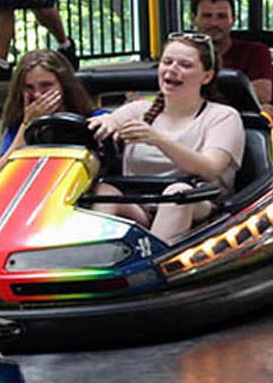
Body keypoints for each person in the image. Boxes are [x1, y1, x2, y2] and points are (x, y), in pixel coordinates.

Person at [86, 33, 244, 244]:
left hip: (198, 205)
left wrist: (158, 140)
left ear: (206, 76)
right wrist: (106, 122)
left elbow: (210, 168)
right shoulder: (138, 110)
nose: (172, 70)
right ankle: (95, 254)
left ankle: (155, 259)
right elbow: (110, 120)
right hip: (141, 207)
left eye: (185, 65)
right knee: (104, 191)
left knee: (177, 193)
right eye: (167, 62)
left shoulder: (223, 116)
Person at [0, 49, 101, 169]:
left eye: (46, 85)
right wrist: (27, 123)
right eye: (29, 87)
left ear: (64, 85)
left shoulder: (94, 118)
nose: (37, 94)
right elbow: (0, 171)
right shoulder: (17, 125)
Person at [191, 0, 273, 118]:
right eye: (207, 16)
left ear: (233, 20)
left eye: (221, 16)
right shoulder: (181, 53)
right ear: (193, 19)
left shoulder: (255, 51)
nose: (214, 23)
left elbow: (262, 95)